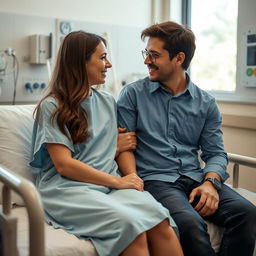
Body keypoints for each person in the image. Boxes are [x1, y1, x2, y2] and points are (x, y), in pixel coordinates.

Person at [29, 30, 184, 256]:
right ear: (79, 62)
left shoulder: (107, 101)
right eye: (102, 58)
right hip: (68, 188)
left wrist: (130, 175)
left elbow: (112, 147)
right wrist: (117, 181)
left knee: (159, 220)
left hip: (108, 185)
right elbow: (64, 165)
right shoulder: (53, 106)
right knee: (132, 228)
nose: (108, 64)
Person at [117, 21, 256, 256]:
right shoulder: (132, 95)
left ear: (179, 58)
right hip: (156, 180)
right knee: (192, 226)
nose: (146, 61)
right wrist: (132, 178)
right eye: (146, 53)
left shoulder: (206, 103)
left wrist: (211, 183)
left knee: (247, 213)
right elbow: (124, 147)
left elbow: (215, 153)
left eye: (154, 55)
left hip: (195, 177)